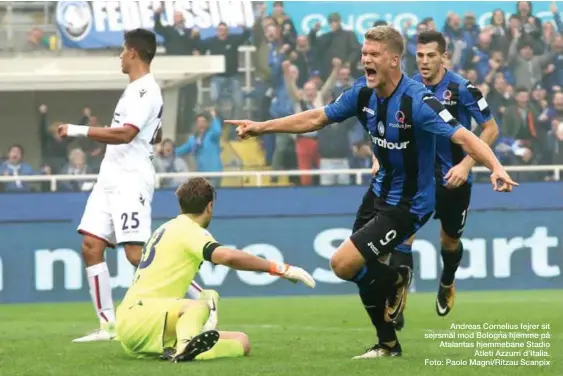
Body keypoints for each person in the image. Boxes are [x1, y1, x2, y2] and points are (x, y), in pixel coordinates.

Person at [225, 25, 517, 359]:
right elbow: (317, 118)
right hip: (378, 194)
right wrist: (262, 127)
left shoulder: (418, 101)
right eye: (364, 53)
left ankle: (396, 279)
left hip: (410, 204)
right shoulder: (362, 94)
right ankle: (388, 344)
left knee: (342, 263)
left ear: (394, 60)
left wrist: (495, 166)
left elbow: (465, 136)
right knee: (358, 271)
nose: (365, 59)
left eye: (373, 54)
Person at [116, 178, 315, 362]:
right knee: (199, 306)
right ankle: (185, 347)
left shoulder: (166, 228)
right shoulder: (190, 231)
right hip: (142, 317)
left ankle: (181, 350)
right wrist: (280, 268)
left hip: (143, 322)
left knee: (241, 341)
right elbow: (227, 257)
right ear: (210, 206)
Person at [58, 29, 164, 342]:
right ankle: (108, 325)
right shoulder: (135, 91)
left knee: (134, 254)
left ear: (133, 52)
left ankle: (198, 297)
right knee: (91, 246)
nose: (119, 56)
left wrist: (78, 129)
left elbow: (126, 133)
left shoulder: (145, 90)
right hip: (110, 176)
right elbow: (153, 134)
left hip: (131, 178)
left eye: (122, 50)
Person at [391, 30, 500, 331]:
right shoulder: (407, 87)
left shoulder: (463, 88)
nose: (424, 62)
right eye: (420, 56)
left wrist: (466, 164)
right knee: (402, 236)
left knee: (449, 241)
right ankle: (398, 297)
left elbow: (490, 129)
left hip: (455, 178)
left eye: (431, 55)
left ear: (444, 56)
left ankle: (447, 281)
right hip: (418, 179)